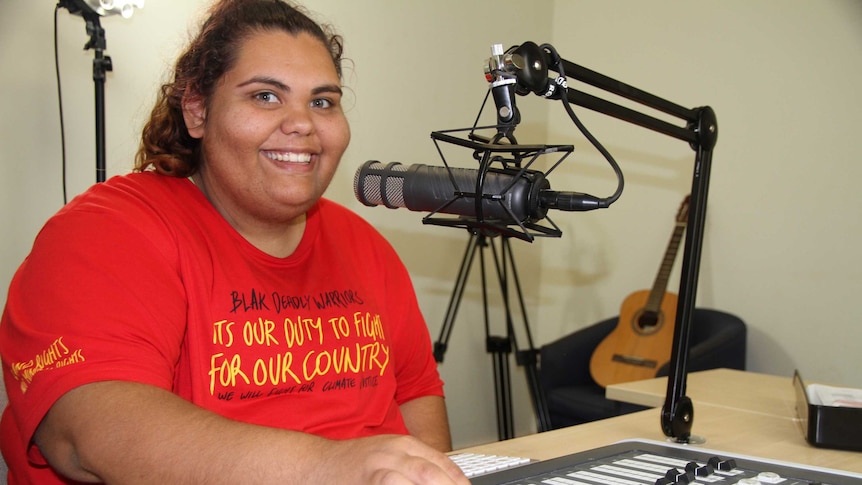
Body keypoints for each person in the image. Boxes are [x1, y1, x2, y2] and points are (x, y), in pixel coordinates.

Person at [0, 0, 469, 483]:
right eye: (266, 96)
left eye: (323, 101)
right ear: (197, 111)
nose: (302, 123)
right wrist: (326, 467)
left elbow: (415, 394)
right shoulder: (105, 231)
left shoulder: (367, 247)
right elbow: (89, 436)